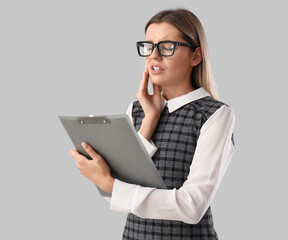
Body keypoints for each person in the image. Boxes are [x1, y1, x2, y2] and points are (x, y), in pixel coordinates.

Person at [70, 8, 236, 240]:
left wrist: (111, 185)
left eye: (167, 46)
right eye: (149, 46)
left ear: (195, 56)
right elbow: (116, 196)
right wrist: (149, 121)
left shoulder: (215, 114)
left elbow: (193, 206)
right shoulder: (137, 110)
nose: (154, 56)